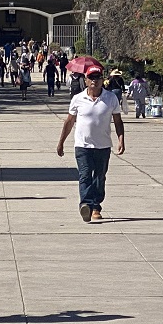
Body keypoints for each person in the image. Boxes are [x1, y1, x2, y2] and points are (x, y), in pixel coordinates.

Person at [56, 66, 125, 223]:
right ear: (86, 80)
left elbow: (118, 122)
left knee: (99, 177)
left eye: (97, 78)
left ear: (102, 80)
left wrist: (121, 139)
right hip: (82, 146)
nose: (94, 81)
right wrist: (61, 142)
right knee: (85, 175)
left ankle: (96, 206)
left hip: (103, 146)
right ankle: (86, 204)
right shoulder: (78, 99)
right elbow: (69, 122)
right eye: (91, 78)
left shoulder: (111, 98)